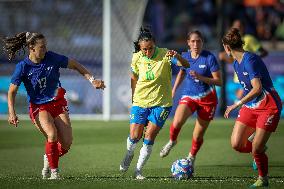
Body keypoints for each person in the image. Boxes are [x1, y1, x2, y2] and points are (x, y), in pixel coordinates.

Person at [4, 32, 106, 179]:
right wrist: (11, 112)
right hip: (39, 107)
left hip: (57, 103)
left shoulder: (52, 57)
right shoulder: (23, 67)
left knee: (66, 143)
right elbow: (12, 91)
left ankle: (49, 156)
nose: (45, 49)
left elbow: (75, 65)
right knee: (52, 134)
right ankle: (54, 173)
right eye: (42, 47)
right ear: (31, 48)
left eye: (46, 46)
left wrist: (92, 80)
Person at [119, 28, 190, 179]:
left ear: (155, 44)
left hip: (161, 103)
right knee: (134, 136)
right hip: (140, 101)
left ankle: (138, 170)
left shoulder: (166, 54)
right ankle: (129, 153)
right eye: (144, 49)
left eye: (150, 48)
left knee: (149, 136)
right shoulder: (136, 57)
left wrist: (177, 55)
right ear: (140, 48)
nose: (148, 51)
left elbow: (186, 65)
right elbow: (133, 77)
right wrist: (133, 98)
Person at [222, 28, 282, 187]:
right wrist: (242, 97)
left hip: (268, 105)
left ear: (227, 48)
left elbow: (257, 88)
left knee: (256, 148)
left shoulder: (250, 60)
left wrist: (237, 103)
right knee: (236, 144)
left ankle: (263, 178)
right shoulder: (236, 63)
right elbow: (249, 88)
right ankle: (260, 149)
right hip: (252, 105)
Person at [159, 30, 222, 172]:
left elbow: (219, 81)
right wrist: (174, 90)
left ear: (202, 43)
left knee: (198, 134)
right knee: (176, 122)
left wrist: (201, 78)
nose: (195, 44)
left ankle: (191, 157)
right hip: (189, 96)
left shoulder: (209, 58)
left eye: (198, 41)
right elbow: (182, 72)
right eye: (193, 41)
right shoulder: (185, 57)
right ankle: (172, 141)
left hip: (208, 100)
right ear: (188, 43)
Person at [219, 19, 268, 100]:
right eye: (236, 26)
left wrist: (252, 60)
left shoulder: (249, 39)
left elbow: (263, 52)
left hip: (248, 77)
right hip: (237, 78)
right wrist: (226, 57)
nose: (238, 28)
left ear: (244, 28)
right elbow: (235, 61)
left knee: (241, 101)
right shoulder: (232, 42)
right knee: (241, 103)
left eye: (240, 26)